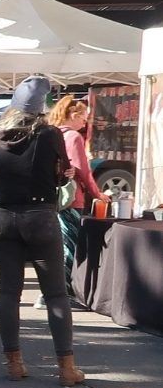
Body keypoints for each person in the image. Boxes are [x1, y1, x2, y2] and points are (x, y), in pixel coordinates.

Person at [0, 77, 84, 386]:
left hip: (3, 217)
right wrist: (61, 175)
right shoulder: (49, 134)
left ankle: (13, 362)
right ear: (42, 107)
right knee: (55, 292)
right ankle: (66, 368)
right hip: (40, 216)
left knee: (8, 291)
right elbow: (61, 173)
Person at [48, 94, 110, 285]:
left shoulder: (51, 133)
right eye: (83, 118)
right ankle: (63, 288)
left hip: (53, 197)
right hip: (71, 198)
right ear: (73, 115)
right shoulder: (73, 137)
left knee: (57, 244)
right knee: (70, 244)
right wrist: (98, 194)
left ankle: (53, 288)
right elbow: (83, 170)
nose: (84, 124)